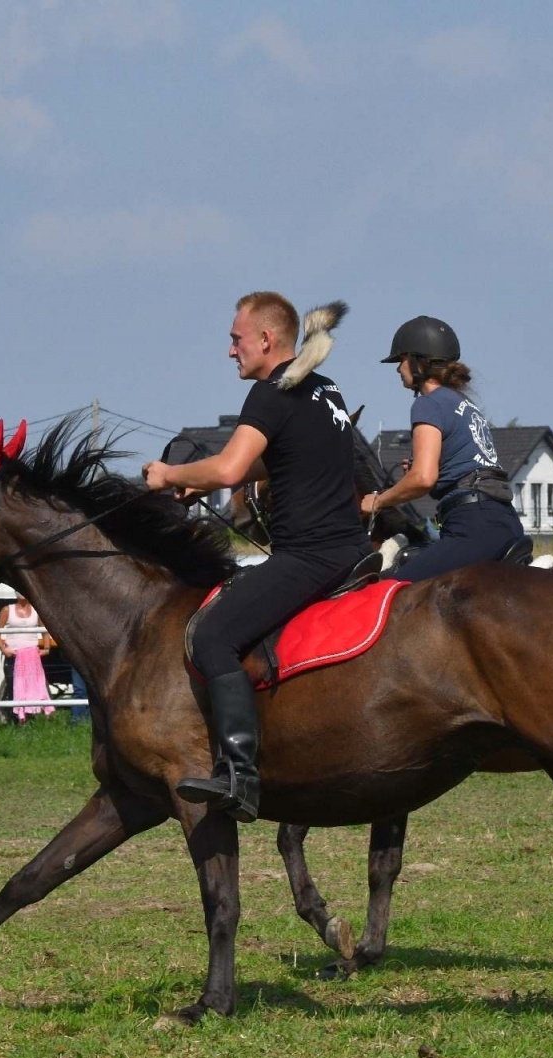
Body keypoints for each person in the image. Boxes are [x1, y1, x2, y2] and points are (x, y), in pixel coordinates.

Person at [141, 291, 370, 822]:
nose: (230, 351)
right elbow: (277, 461)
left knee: (213, 635)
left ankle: (239, 775)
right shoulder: (325, 388)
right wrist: (209, 482)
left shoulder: (270, 393)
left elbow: (225, 468)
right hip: (349, 549)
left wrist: (171, 475)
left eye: (235, 339)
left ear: (267, 340)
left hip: (311, 556)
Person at [360, 316, 522, 582]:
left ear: (417, 361)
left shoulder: (428, 404)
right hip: (505, 522)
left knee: (389, 590)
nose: (398, 368)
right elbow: (462, 464)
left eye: (401, 360)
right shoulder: (463, 403)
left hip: (473, 526)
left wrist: (378, 501)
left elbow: (423, 479)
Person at [0, 594, 54, 723]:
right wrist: (3, 649)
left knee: (33, 688)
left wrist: (46, 648)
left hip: (32, 656)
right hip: (14, 655)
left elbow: (45, 630)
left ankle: (31, 719)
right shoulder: (7, 610)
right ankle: (16, 720)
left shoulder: (36, 610)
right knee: (14, 687)